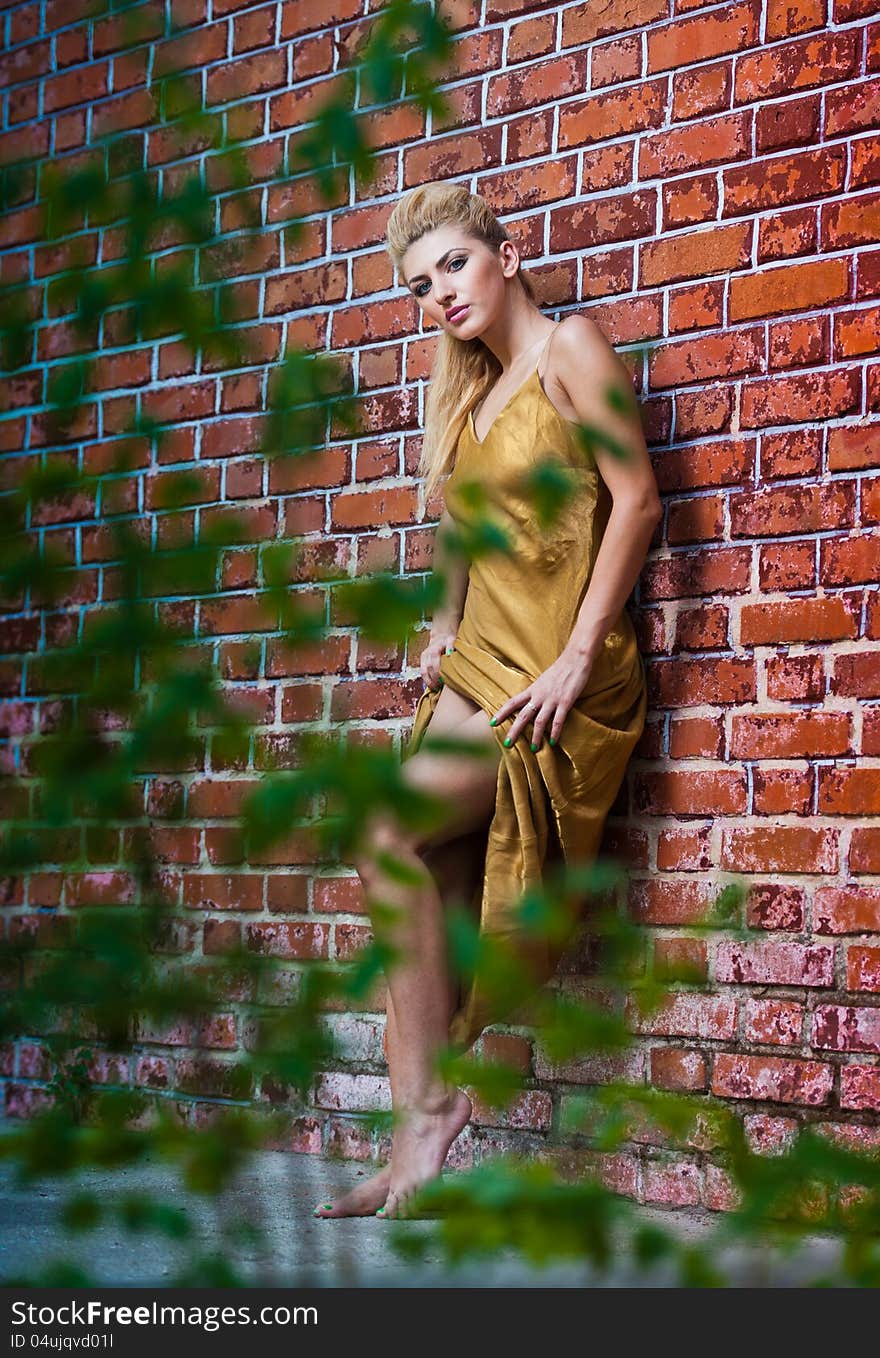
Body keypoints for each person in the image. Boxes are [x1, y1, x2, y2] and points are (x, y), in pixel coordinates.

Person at [313, 183, 662, 1221]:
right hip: (481, 665)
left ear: (505, 255)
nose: (440, 294)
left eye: (453, 266)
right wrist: (439, 626)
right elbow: (462, 535)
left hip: (560, 670)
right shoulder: (469, 389)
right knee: (389, 840)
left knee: (387, 828)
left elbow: (637, 499)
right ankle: (416, 1115)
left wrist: (574, 656)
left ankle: (424, 1111)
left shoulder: (569, 351)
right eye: (422, 286)